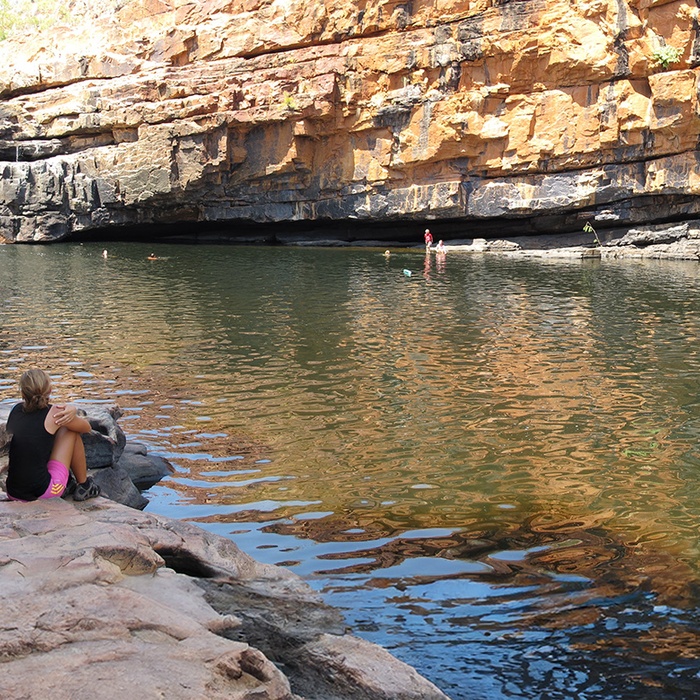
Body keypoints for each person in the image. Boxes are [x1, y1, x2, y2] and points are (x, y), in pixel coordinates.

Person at [4, 369, 100, 502]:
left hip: (13, 492)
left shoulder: (16, 411)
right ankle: (84, 485)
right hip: (44, 492)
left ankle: (69, 482)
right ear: (49, 389)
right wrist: (72, 410)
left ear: (22, 392)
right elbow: (86, 427)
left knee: (47, 435)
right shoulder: (55, 414)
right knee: (70, 431)